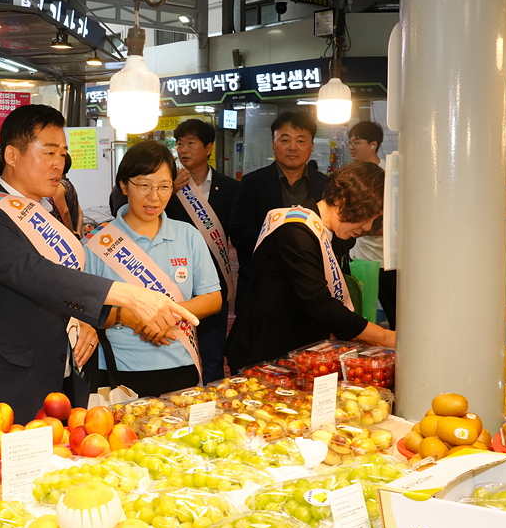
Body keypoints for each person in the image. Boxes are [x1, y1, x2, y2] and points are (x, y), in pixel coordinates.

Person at [0, 105, 199, 462]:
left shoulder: (45, 213)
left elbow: (59, 290)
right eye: (49, 152)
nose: (59, 164)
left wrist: (85, 318)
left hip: (64, 379)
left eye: (63, 154)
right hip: (8, 389)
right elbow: (34, 274)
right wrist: (131, 296)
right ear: (12, 155)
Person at [226, 162, 394, 372]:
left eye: (374, 218)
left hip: (296, 354)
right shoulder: (295, 231)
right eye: (366, 215)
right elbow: (319, 303)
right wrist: (385, 336)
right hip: (263, 355)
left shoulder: (330, 233)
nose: (368, 226)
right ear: (343, 199)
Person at [85, 141, 222, 395]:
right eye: (144, 186)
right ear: (124, 185)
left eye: (163, 187)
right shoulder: (97, 243)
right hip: (115, 370)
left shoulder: (188, 235)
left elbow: (213, 298)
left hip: (180, 365)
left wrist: (165, 315)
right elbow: (83, 306)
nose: (154, 197)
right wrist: (131, 317)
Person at [162, 119, 239, 383]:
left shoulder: (229, 188)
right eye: (179, 143)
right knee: (176, 351)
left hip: (214, 283)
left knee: (213, 352)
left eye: (191, 143)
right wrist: (169, 190)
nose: (183, 149)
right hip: (174, 280)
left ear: (208, 148)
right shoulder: (166, 186)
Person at [230, 111, 328, 313]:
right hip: (261, 290)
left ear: (311, 146)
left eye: (301, 140)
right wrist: (287, 246)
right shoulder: (252, 183)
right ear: (273, 144)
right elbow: (239, 233)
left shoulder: (326, 186)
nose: (292, 147)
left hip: (313, 290)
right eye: (285, 140)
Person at [346, 120, 397, 328]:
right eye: (350, 142)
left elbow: (394, 219)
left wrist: (360, 229)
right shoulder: (352, 175)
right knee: (360, 315)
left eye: (357, 142)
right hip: (359, 259)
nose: (351, 146)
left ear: (373, 145)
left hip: (386, 261)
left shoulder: (388, 174)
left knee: (396, 315)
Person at [51, 153, 83, 236]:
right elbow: (80, 211)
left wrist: (71, 233)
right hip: (71, 233)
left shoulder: (58, 186)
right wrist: (78, 231)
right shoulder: (69, 184)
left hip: (63, 235)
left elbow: (64, 212)